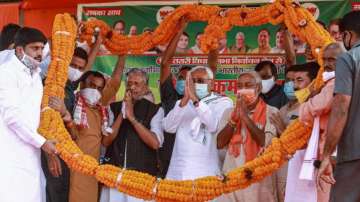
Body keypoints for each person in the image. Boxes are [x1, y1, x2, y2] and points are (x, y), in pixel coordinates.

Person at [49, 53, 125, 202]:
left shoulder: (100, 109)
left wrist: (122, 55)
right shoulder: (71, 102)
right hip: (71, 168)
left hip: (91, 170)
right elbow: (70, 135)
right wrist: (68, 118)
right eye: (91, 85)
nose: (95, 90)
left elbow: (115, 84)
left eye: (99, 88)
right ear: (82, 84)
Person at [0, 27, 58, 202]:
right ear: (19, 50)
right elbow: (12, 117)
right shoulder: (6, 73)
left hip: (32, 156)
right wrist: (42, 143)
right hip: (10, 155)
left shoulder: (36, 75)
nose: (40, 53)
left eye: (42, 48)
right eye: (35, 48)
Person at [285, 43, 344, 202]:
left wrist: (306, 102)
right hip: (328, 151)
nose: (327, 64)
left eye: (332, 59)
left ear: (344, 60)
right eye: (324, 59)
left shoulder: (337, 82)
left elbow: (317, 107)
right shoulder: (330, 81)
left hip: (333, 152)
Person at [100, 68, 164, 202]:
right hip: (114, 175)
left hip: (140, 179)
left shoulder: (155, 110)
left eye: (137, 84)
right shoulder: (113, 108)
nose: (132, 87)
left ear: (145, 87)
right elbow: (106, 142)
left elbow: (155, 143)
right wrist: (122, 113)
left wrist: (132, 118)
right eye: (129, 84)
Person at [317, 11, 360, 202]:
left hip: (355, 152)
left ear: (348, 35)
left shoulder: (348, 58)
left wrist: (326, 155)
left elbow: (341, 106)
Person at [217, 71, 278, 202]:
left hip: (258, 181)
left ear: (259, 88)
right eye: (240, 86)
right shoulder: (229, 112)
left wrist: (244, 117)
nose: (243, 89)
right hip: (231, 178)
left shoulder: (271, 112)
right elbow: (219, 143)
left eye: (248, 85)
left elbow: (265, 142)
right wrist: (234, 120)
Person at [163, 66, 233, 180]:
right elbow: (168, 127)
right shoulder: (181, 103)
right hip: (179, 170)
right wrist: (184, 102)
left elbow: (213, 126)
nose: (195, 85)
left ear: (211, 83)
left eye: (200, 81)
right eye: (192, 81)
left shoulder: (223, 102)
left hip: (206, 170)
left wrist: (196, 101)